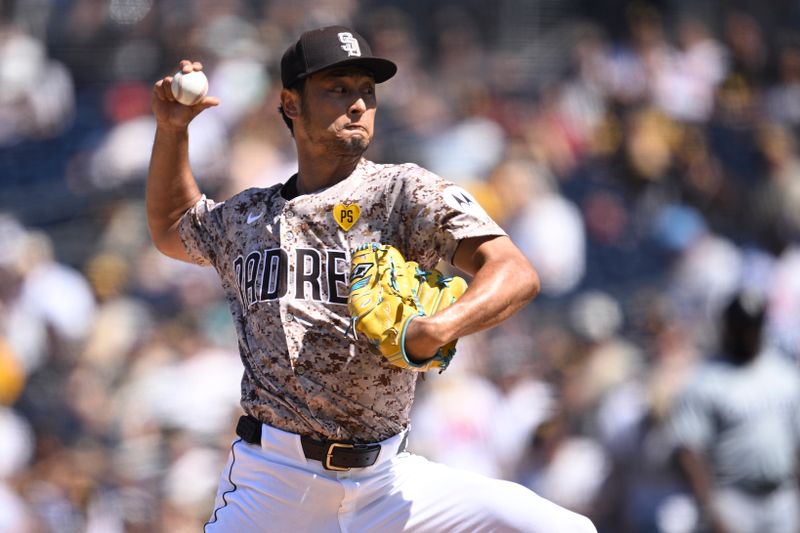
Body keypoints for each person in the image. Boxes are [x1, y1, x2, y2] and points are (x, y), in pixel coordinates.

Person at [146, 25, 597, 532]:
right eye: (338, 89)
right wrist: (172, 129)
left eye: (367, 90)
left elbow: (514, 271)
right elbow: (172, 228)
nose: (358, 104)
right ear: (291, 104)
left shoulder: (403, 192)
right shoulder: (248, 217)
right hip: (274, 486)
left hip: (388, 483)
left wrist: (442, 326)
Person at [669, 291, 800, 533]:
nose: (747, 334)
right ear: (728, 328)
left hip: (782, 495)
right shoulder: (705, 380)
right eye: (741, 327)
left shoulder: (785, 373)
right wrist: (711, 509)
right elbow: (689, 452)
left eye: (752, 326)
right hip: (733, 498)